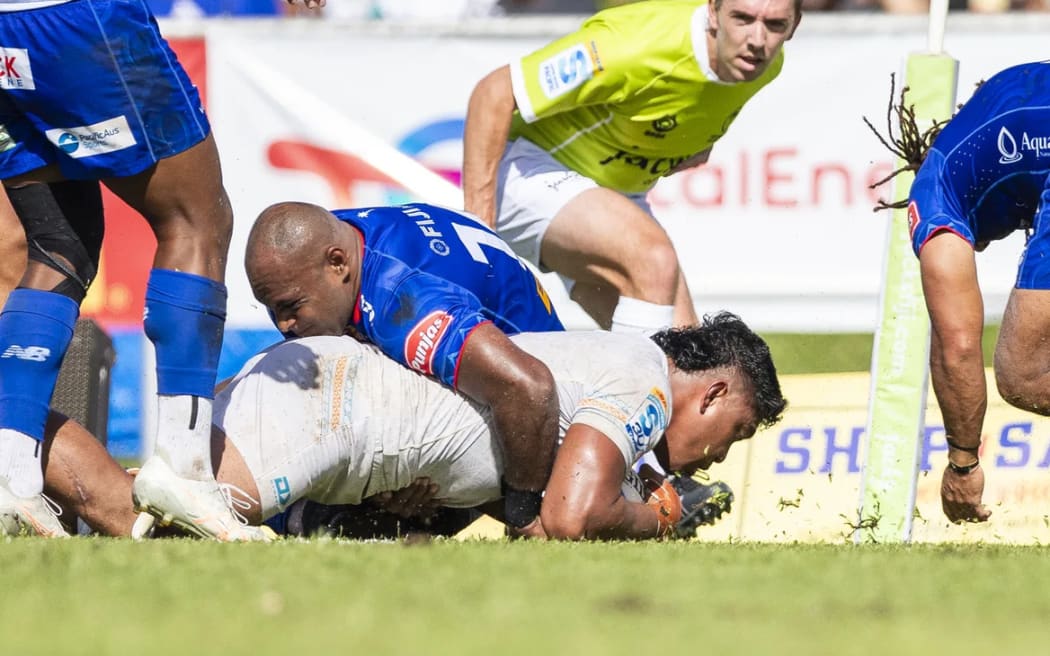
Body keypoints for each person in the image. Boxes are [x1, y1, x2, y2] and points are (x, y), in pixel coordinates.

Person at [38, 313, 787, 541]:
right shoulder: (643, 377)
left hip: (342, 402)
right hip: (336, 410)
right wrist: (655, 518)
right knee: (147, 525)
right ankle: (15, 430)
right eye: (738, 431)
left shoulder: (618, 373)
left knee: (161, 530)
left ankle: (18, 449)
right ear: (715, 392)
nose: (720, 458)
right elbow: (568, 516)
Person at [0, 2, 269, 540]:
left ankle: (10, 476)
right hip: (76, 19)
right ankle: (185, 469)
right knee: (197, 222)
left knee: (58, 248)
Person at [461, 0, 801, 334]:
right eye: (742, 18)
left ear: (794, 25)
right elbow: (493, 92)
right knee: (653, 260)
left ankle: (633, 388)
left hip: (613, 192)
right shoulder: (634, 47)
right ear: (713, 11)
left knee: (688, 360)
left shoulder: (768, 64)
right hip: (527, 167)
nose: (757, 39)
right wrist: (479, 233)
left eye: (775, 25)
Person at [245, 201, 565, 532]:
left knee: (339, 520)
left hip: (537, 420)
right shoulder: (339, 237)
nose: (283, 325)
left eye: (292, 305)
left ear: (337, 263)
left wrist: (522, 515)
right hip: (506, 383)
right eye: (272, 308)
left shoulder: (399, 300)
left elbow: (528, 387)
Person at [867, 61, 1050, 524]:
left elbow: (958, 345)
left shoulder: (936, 196)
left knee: (1024, 375)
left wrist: (962, 462)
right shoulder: (991, 135)